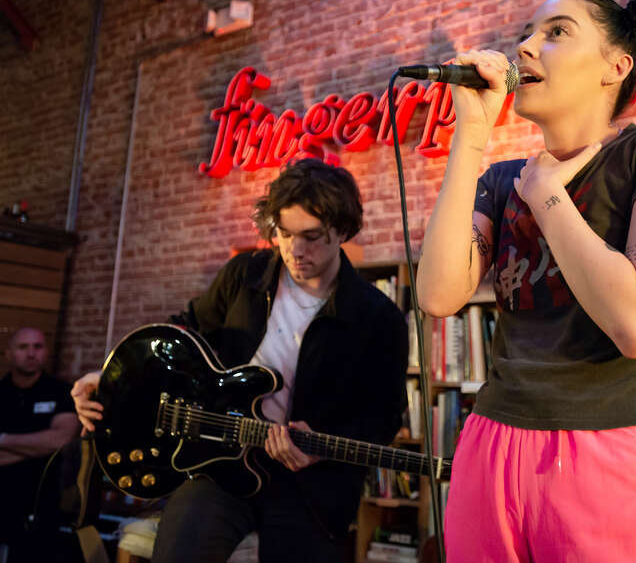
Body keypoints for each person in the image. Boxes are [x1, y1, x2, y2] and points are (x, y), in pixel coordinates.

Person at [416, 0, 636, 563]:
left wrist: (549, 197)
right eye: (526, 35)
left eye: (556, 32)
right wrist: (471, 137)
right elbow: (436, 294)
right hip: (491, 441)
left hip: (613, 441)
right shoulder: (505, 178)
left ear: (616, 65)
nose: (527, 47)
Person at [71, 159, 409, 563]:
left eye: (311, 236)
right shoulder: (243, 276)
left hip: (311, 485)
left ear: (342, 230)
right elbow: (180, 338)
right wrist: (110, 377)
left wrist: (318, 450)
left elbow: (383, 419)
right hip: (217, 464)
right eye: (284, 233)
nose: (295, 250)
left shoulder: (378, 317)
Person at [0, 327, 80, 563]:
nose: (31, 353)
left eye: (38, 346)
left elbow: (61, 440)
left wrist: (3, 440)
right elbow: (50, 443)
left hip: (41, 507)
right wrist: (38, 447)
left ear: (46, 353)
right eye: (23, 347)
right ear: (8, 354)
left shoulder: (63, 393)